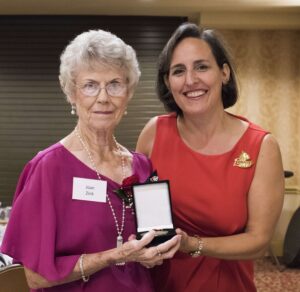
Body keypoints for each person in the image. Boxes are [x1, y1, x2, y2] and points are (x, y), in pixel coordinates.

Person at [0, 29, 181, 291]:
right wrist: (112, 257)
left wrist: (155, 254)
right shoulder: (48, 168)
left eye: (115, 84)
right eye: (90, 85)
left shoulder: (141, 165)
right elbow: (31, 276)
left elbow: (154, 244)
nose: (104, 97)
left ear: (128, 93)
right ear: (72, 94)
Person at [136, 22, 284, 292]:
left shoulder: (261, 146)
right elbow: (142, 215)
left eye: (201, 67)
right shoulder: (154, 133)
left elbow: (259, 241)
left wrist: (193, 244)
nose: (191, 80)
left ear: (224, 73)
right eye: (178, 71)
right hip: (158, 285)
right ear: (168, 82)